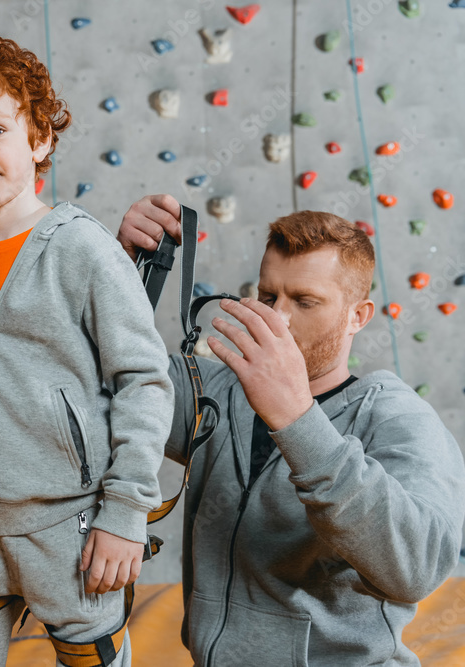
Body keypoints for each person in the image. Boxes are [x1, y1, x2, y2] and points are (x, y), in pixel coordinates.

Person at [0, 35, 174, 667]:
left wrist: (125, 515)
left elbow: (143, 383)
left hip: (72, 537)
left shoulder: (83, 250)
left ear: (41, 138)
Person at [118, 194, 465, 666]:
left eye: (305, 301)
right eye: (267, 297)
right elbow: (105, 376)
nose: (277, 318)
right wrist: (121, 265)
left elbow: (417, 566)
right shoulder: (217, 390)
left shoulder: (399, 418)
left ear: (357, 317)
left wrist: (297, 420)